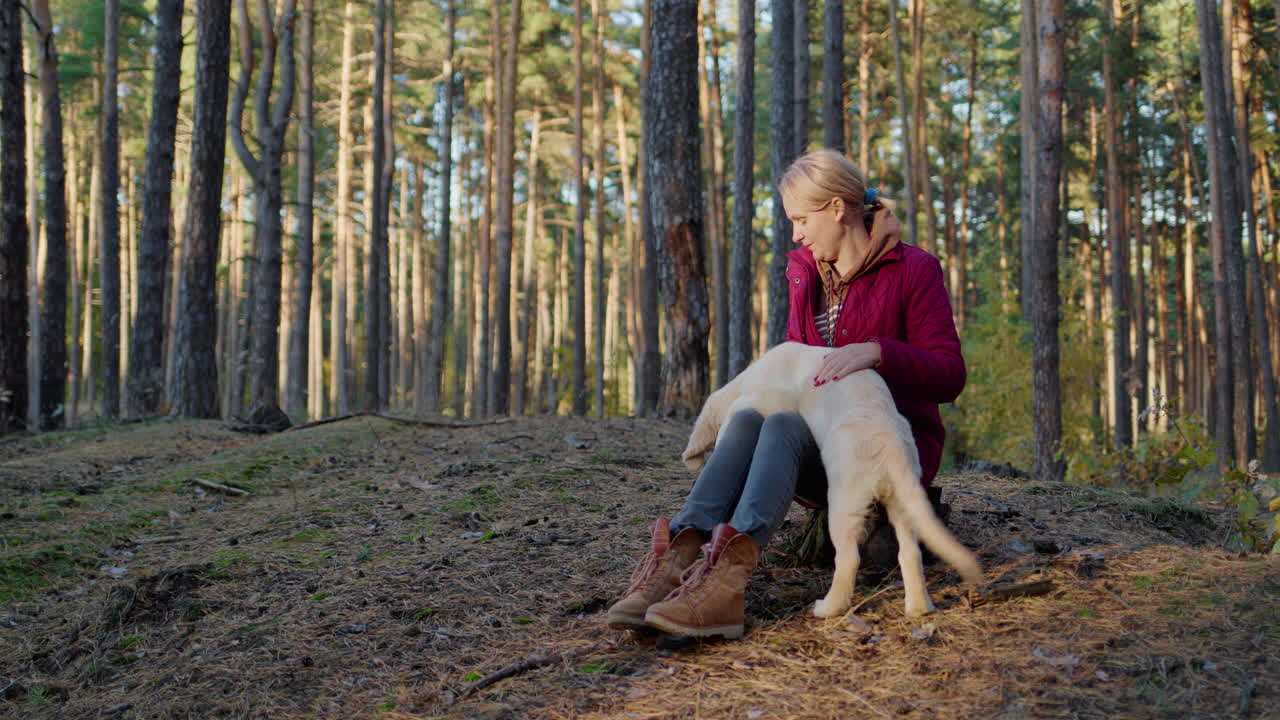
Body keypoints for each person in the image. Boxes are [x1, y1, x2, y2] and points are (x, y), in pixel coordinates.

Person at [606, 148, 966, 639]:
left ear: (838, 209)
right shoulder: (804, 273)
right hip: (816, 447)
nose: (795, 233)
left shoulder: (914, 270)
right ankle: (679, 559)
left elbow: (950, 374)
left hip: (881, 451)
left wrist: (878, 352)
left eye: (801, 219)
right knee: (752, 416)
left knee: (779, 424)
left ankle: (727, 587)